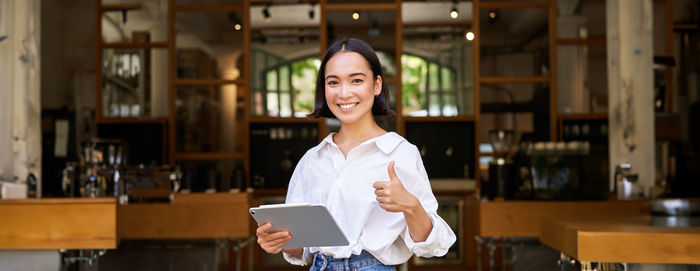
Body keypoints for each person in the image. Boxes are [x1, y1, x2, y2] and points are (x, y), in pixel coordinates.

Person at [255, 38, 456, 271]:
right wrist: (277, 241)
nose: (344, 93)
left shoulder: (399, 153)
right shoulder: (312, 160)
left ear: (377, 85)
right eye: (333, 82)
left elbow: (434, 247)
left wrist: (411, 206)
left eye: (356, 80)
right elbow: (301, 248)